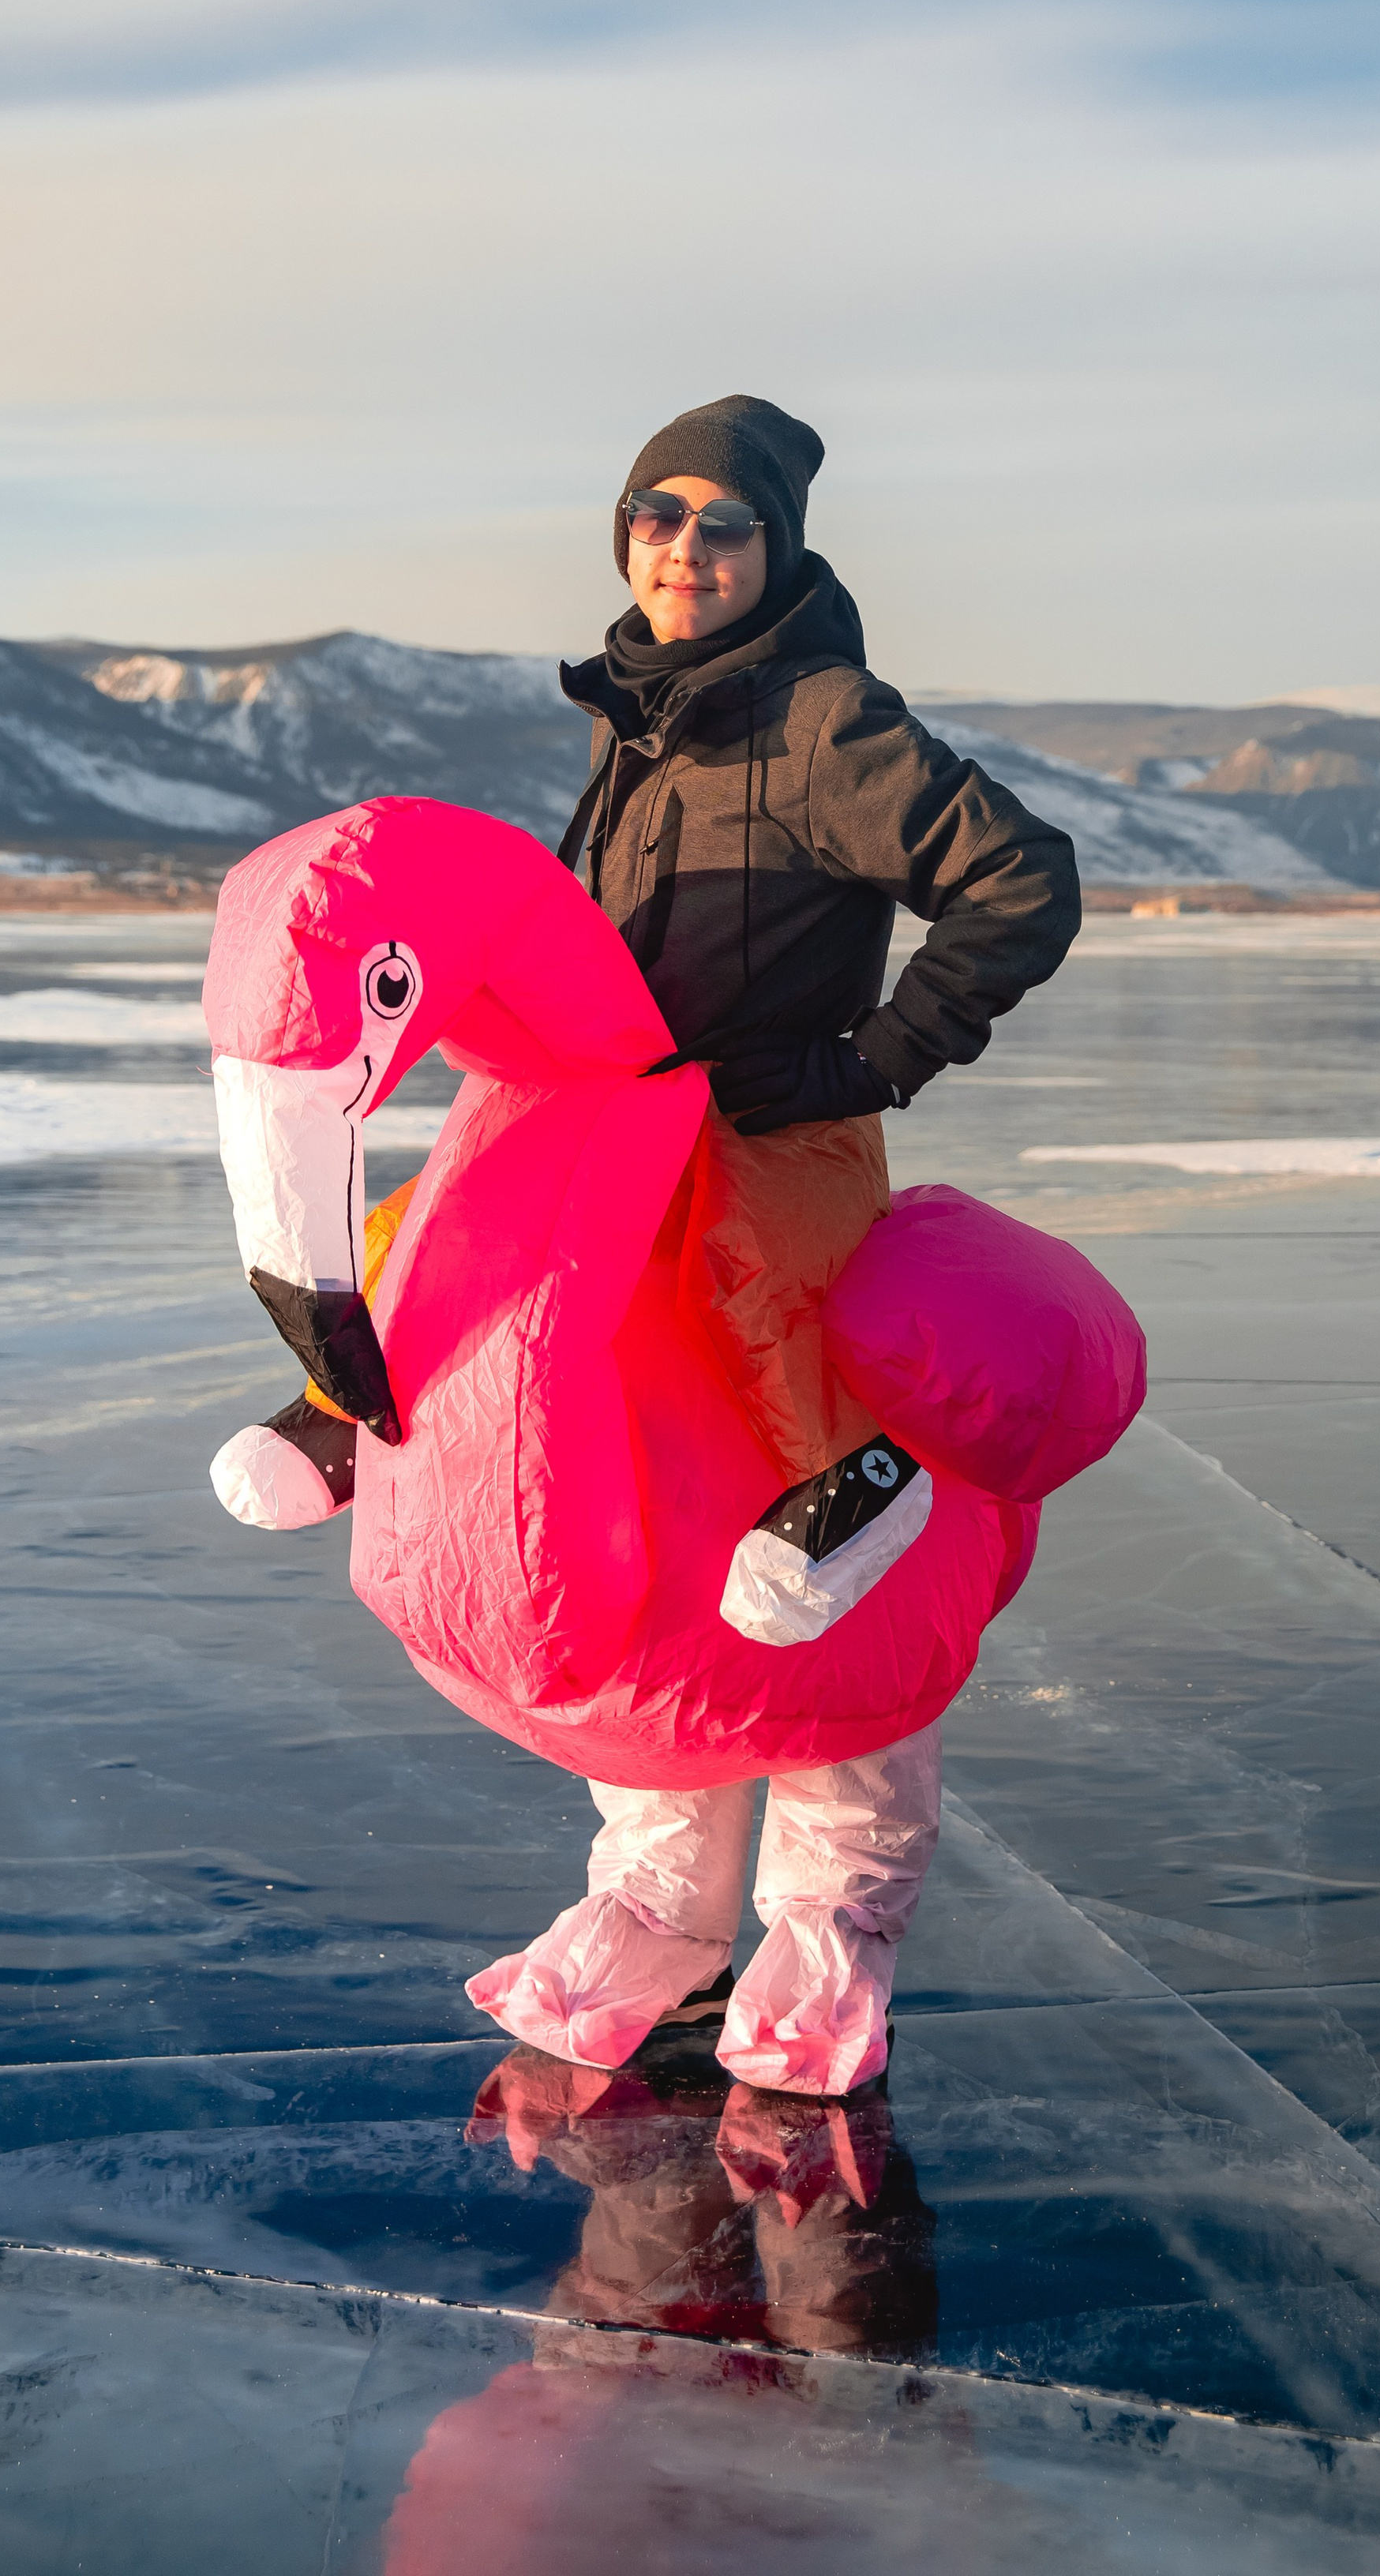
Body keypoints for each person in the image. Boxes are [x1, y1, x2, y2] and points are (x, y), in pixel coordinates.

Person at [461, 393, 1080, 2088]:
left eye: (721, 524)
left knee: (830, 1534)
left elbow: (1020, 879)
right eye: (655, 517)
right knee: (653, 1526)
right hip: (632, 1180)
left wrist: (873, 1059)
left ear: (774, 549)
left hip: (779, 1174)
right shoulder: (642, 717)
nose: (683, 549)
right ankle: (660, 1905)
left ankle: (829, 1924)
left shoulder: (820, 718)